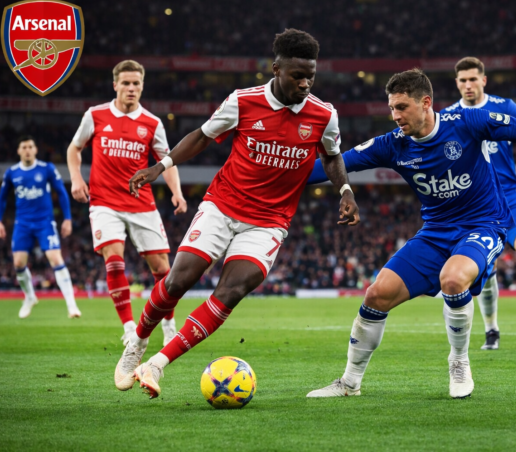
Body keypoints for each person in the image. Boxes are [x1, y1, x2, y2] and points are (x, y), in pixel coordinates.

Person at [305, 69, 516, 399]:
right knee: (376, 294)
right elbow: (332, 164)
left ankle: (458, 361)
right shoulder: (392, 144)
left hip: (484, 225)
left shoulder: (467, 123)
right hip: (435, 232)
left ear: (425, 103)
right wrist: (280, 172)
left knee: (453, 280)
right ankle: (349, 383)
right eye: (392, 108)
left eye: (402, 107)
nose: (395, 116)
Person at [114, 29, 359, 398]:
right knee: (178, 280)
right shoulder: (243, 101)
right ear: (276, 69)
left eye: (311, 76)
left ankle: (158, 364)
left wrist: (345, 190)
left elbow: (332, 156)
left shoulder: (324, 115)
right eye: (297, 75)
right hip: (222, 206)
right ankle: (137, 342)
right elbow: (201, 136)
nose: (305, 84)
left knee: (231, 291)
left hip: (269, 222)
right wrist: (159, 166)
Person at [67, 60, 187, 346]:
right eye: (126, 83)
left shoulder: (152, 123)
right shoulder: (95, 115)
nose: (131, 88)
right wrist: (76, 179)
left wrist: (177, 192)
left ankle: (168, 324)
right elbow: (74, 148)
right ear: (115, 85)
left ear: (142, 86)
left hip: (141, 203)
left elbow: (166, 161)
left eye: (136, 83)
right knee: (114, 260)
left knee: (163, 270)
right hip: (104, 202)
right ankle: (130, 328)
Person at [445, 57, 516, 351]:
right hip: (474, 202)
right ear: (456, 83)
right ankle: (491, 330)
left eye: (473, 79)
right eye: (463, 80)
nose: (468, 84)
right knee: (485, 266)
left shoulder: (505, 107)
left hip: (509, 194)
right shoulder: (447, 117)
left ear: (483, 80)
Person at [0, 136, 80, 319]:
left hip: (44, 222)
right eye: (24, 147)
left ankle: (72, 305)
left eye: (30, 146)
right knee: (18, 263)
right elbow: (2, 198)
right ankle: (30, 296)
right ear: (19, 150)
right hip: (22, 223)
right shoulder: (12, 173)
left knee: (55, 258)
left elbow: (61, 192)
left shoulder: (47, 168)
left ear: (35, 150)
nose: (27, 150)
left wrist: (67, 218)